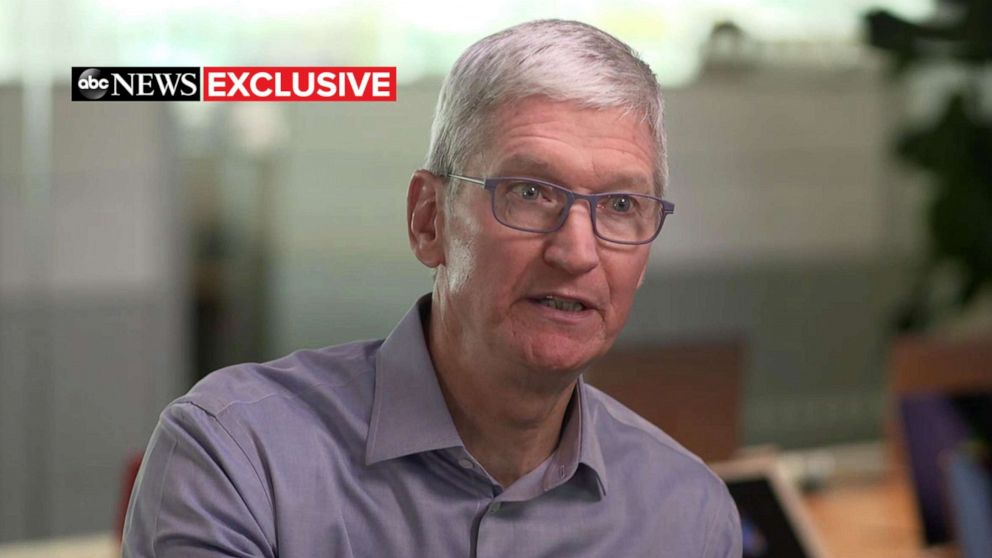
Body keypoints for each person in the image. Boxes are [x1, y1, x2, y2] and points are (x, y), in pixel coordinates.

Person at [122, 19, 742, 557]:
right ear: (429, 220)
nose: (577, 251)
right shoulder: (239, 459)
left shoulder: (688, 515)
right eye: (528, 193)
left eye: (621, 204)